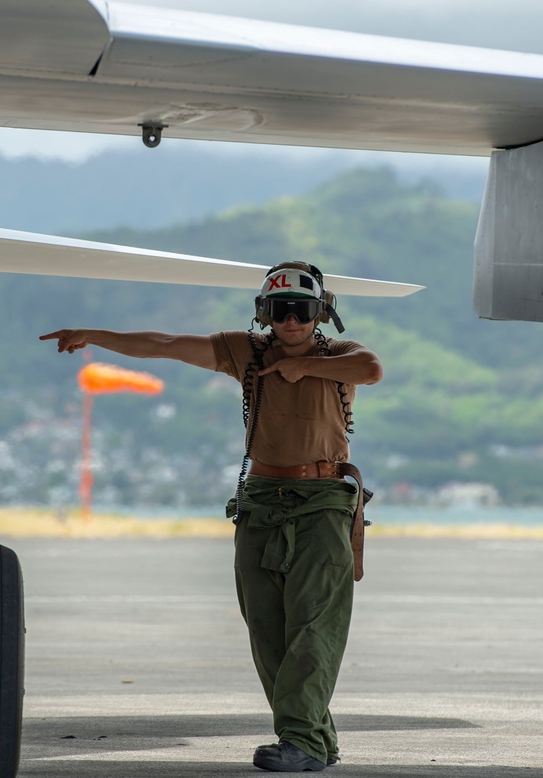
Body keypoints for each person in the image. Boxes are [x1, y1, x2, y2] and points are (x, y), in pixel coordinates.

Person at [40, 261, 382, 772]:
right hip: (262, 498)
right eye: (282, 310)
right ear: (265, 313)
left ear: (322, 313)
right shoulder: (244, 352)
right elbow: (165, 344)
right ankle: (314, 737)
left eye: (303, 310)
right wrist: (94, 336)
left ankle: (303, 741)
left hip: (323, 501)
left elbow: (371, 369)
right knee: (266, 626)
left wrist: (306, 367)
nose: (292, 321)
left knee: (314, 625)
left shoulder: (340, 354)